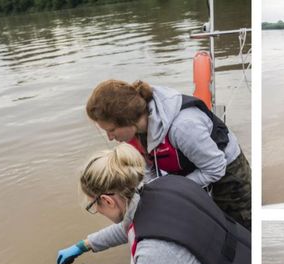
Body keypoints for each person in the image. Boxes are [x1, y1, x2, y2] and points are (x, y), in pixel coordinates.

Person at [56, 143, 250, 264]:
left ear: (107, 201)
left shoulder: (153, 252)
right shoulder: (166, 185)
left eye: (93, 205)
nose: (96, 210)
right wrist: (84, 245)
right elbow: (133, 227)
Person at [85, 79, 251, 230]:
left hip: (227, 171)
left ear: (127, 120)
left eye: (111, 130)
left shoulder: (183, 127)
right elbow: (151, 168)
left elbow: (216, 168)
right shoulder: (137, 131)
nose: (110, 137)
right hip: (190, 166)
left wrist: (171, 191)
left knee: (240, 227)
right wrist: (150, 192)